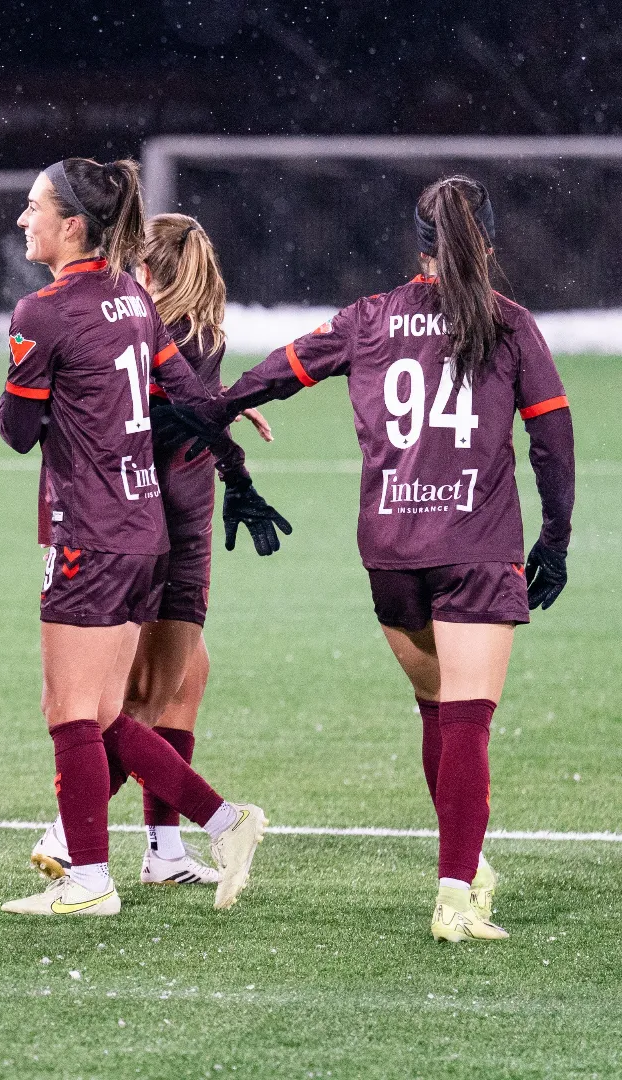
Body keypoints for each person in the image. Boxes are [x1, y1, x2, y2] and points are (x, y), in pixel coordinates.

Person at [177, 176, 574, 941]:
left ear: (416, 244)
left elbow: (279, 373)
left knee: (438, 711)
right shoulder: (510, 324)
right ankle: (455, 893)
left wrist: (208, 408)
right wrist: (554, 539)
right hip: (476, 545)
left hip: (391, 552)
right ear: (487, 243)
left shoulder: (369, 319)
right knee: (467, 721)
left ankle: (470, 864)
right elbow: (551, 443)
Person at [0, 157, 273, 918]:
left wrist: (45, 391)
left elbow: (18, 432)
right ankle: (218, 824)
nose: (24, 220)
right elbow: (185, 392)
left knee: (72, 711)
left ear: (72, 224)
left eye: (33, 208)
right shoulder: (129, 298)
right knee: (108, 711)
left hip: (89, 527)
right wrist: (233, 429)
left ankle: (90, 879)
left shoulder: (42, 312)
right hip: (147, 528)